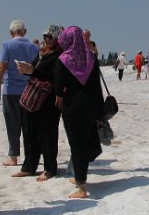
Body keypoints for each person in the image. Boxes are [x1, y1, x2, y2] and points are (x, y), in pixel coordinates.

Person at [54, 27, 103, 199]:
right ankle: (79, 177)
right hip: (90, 106)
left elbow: (58, 87)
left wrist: (60, 95)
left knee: (77, 144)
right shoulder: (91, 57)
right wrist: (99, 108)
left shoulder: (64, 59)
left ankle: (81, 186)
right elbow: (97, 86)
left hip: (72, 107)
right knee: (84, 140)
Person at [14, 25, 64, 181]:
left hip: (48, 100)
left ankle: (50, 168)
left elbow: (54, 76)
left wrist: (33, 71)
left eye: (50, 37)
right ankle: (29, 166)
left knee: (47, 134)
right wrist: (26, 69)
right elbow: (36, 68)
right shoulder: (43, 52)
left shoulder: (60, 55)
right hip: (33, 97)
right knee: (30, 132)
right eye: (45, 36)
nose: (46, 39)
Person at [0, 20, 39, 167]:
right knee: (28, 125)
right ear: (25, 31)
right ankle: (30, 155)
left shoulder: (6, 45)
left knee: (12, 125)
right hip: (28, 90)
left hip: (10, 91)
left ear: (11, 32)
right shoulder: (33, 47)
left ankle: (13, 156)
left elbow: (2, 67)